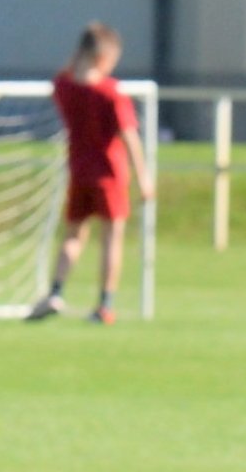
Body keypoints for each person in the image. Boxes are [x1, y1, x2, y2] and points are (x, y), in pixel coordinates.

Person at [28, 22, 153, 324]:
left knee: (74, 234)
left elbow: (63, 75)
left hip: (79, 172)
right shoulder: (111, 94)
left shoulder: (65, 87)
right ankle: (104, 304)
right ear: (106, 58)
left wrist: (80, 58)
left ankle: (56, 292)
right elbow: (129, 137)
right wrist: (144, 176)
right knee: (112, 236)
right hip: (109, 175)